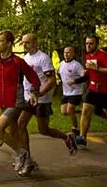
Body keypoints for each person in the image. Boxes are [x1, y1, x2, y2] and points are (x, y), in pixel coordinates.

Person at [0, 30, 40, 177]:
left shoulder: (18, 62)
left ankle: (22, 155)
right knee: (13, 133)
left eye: (0, 41)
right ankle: (29, 161)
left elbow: (33, 77)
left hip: (16, 102)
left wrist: (35, 92)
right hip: (3, 103)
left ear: (9, 43)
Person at [17, 34, 78, 174]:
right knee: (20, 124)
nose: (25, 45)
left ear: (35, 42)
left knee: (43, 130)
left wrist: (38, 94)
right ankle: (28, 160)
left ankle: (67, 137)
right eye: (23, 43)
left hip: (42, 100)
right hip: (28, 98)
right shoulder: (25, 58)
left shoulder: (43, 58)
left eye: (28, 42)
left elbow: (51, 81)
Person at [73, 35, 107, 147]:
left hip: (106, 91)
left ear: (96, 44)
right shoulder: (87, 56)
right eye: (87, 43)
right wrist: (86, 73)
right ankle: (82, 137)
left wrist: (96, 68)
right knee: (85, 112)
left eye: (91, 43)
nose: (88, 45)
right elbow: (91, 71)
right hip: (93, 89)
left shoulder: (103, 55)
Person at [57, 46, 85, 136]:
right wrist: (59, 79)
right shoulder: (61, 64)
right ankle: (81, 111)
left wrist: (74, 81)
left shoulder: (76, 65)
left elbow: (85, 77)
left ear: (73, 54)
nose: (66, 54)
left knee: (69, 110)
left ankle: (75, 128)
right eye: (65, 52)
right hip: (66, 92)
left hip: (76, 91)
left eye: (69, 53)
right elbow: (59, 73)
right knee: (64, 111)